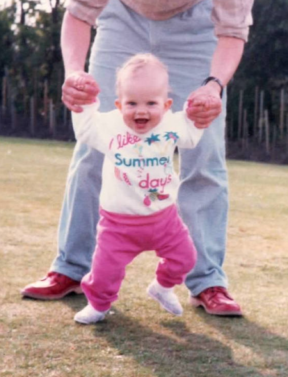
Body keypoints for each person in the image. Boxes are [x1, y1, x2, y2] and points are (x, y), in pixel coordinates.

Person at [22, 0, 255, 316]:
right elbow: (80, 11)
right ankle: (71, 268)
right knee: (96, 143)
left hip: (195, 26)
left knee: (204, 149)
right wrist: (74, 73)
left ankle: (207, 281)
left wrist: (213, 86)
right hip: (124, 16)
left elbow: (233, 31)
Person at [70, 54, 211, 324]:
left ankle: (162, 287)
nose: (141, 111)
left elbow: (191, 137)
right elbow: (86, 130)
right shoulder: (111, 125)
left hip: (164, 220)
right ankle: (98, 305)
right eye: (132, 103)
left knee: (186, 258)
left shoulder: (172, 124)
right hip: (117, 225)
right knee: (104, 272)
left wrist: (196, 115)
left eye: (151, 103)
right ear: (118, 104)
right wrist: (85, 103)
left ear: (167, 105)